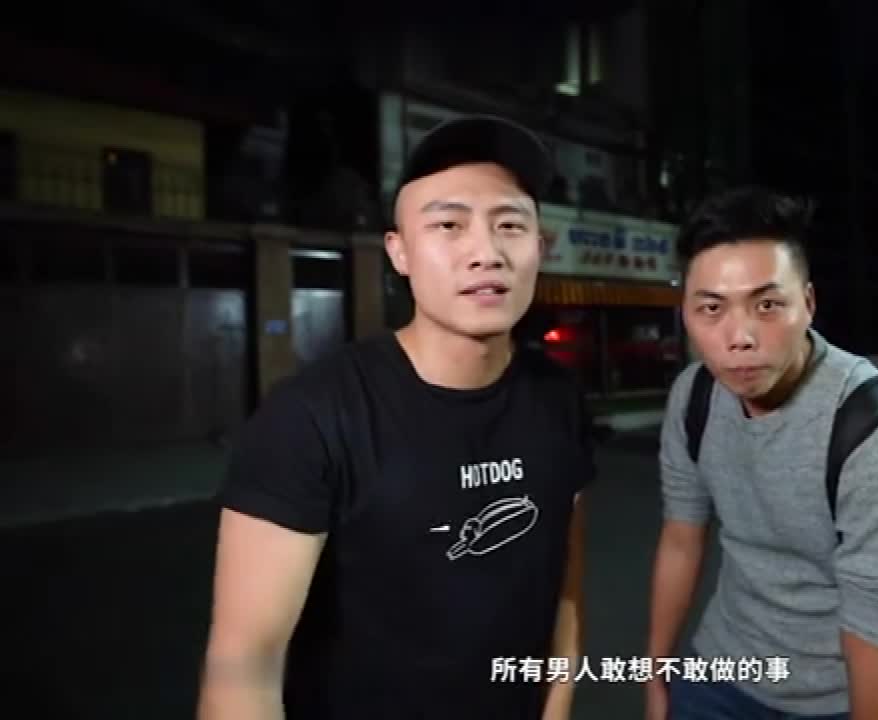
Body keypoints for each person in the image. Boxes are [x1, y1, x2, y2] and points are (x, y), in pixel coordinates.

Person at [197, 115, 594, 720]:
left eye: (510, 225)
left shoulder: (559, 399)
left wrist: (557, 706)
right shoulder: (311, 416)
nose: (486, 253)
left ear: (539, 248)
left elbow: (563, 589)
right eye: (448, 225)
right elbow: (242, 672)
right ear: (399, 252)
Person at [645, 187, 878, 720]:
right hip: (726, 668)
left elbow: (876, 656)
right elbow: (681, 538)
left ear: (807, 304)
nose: (739, 337)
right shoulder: (694, 396)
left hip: (846, 689)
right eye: (711, 308)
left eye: (767, 305)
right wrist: (656, 672)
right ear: (685, 313)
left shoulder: (876, 429)